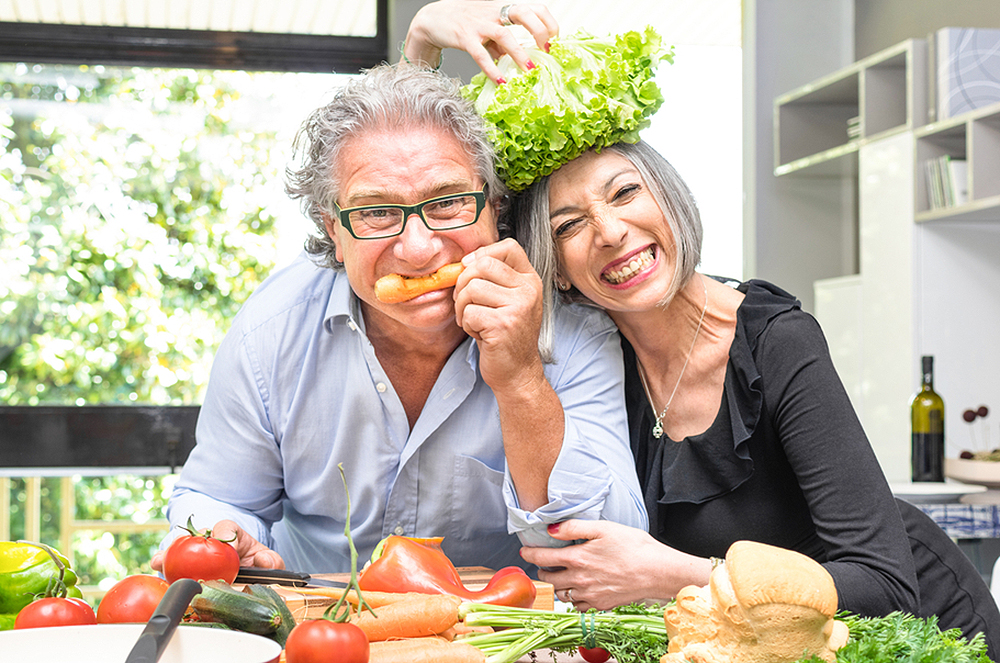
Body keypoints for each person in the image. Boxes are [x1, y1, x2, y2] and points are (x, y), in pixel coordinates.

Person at [403, 0, 1000, 654]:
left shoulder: (774, 340)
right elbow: (433, 200)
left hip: (915, 635)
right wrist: (423, 40)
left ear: (669, 197)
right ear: (558, 271)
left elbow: (886, 584)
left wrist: (674, 574)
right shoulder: (592, 363)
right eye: (568, 226)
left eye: (625, 192)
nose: (609, 232)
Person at [152, 50, 646, 575]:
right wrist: (225, 535)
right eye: (377, 212)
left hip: (494, 642)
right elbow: (221, 498)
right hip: (318, 633)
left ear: (494, 208)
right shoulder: (270, 331)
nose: (417, 248)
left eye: (447, 202)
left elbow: (607, 550)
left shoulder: (574, 333)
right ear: (334, 232)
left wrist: (523, 379)